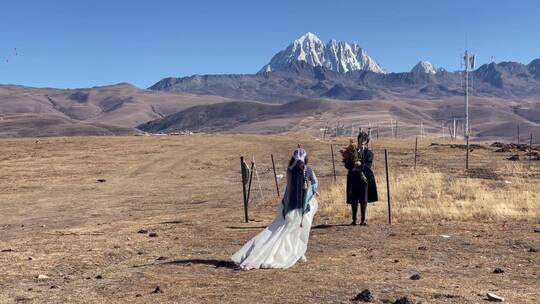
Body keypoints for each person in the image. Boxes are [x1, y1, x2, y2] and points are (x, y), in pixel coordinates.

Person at [231, 148, 319, 270]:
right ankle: (295, 252)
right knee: (296, 230)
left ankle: (297, 252)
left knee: (284, 230)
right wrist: (309, 188)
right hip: (300, 207)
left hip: (292, 205)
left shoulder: (290, 170)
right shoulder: (307, 170)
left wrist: (285, 204)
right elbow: (313, 184)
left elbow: (288, 190)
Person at [344, 131, 378, 226]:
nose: (361, 143)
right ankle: (354, 219)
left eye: (364, 141)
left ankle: (363, 220)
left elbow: (368, 165)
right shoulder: (351, 151)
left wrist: (359, 166)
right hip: (353, 178)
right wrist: (352, 166)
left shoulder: (369, 153)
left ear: (367, 143)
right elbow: (347, 164)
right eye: (360, 141)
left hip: (365, 179)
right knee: (353, 198)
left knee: (363, 199)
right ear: (358, 141)